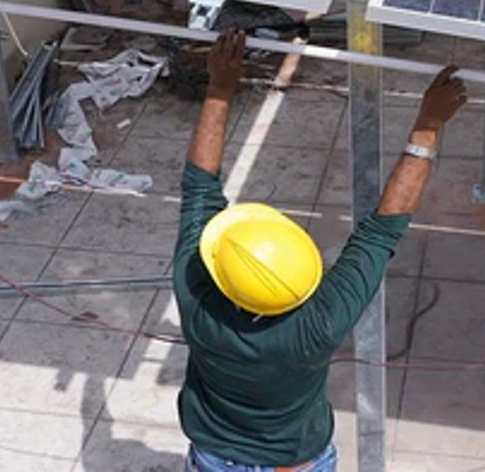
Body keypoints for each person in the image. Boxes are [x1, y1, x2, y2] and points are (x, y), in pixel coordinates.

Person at [174, 30, 469, 472]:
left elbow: (200, 185)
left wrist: (220, 87)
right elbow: (381, 231)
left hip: (215, 459)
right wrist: (429, 124)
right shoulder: (316, 325)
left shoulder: (196, 295)